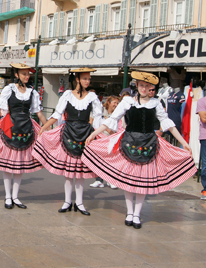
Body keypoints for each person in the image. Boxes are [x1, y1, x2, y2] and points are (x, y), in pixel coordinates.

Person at [83, 71, 195, 229]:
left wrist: (183, 142)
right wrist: (93, 134)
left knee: (142, 182)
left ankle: (137, 214)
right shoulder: (127, 102)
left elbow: (167, 123)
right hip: (129, 143)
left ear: (150, 87)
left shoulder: (155, 103)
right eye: (141, 85)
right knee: (128, 182)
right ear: (136, 85)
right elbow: (112, 120)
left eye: (146, 86)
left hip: (149, 144)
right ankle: (129, 213)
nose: (143, 88)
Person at [0, 63, 47, 209]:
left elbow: (39, 113)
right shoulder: (9, 89)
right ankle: (8, 196)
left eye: (28, 73)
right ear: (17, 75)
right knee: (7, 165)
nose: (27, 76)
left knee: (19, 165)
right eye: (24, 73)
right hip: (10, 127)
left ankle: (16, 197)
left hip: (26, 129)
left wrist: (49, 129)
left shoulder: (33, 92)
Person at [33, 68, 103, 215]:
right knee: (69, 172)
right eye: (85, 78)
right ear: (77, 79)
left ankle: (79, 202)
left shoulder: (92, 97)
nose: (87, 81)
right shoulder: (67, 95)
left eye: (89, 79)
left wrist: (99, 134)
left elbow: (98, 117)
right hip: (69, 133)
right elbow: (57, 113)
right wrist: (44, 127)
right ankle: (67, 201)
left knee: (80, 172)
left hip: (85, 134)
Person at [90, 95, 120, 189]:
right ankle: (99, 180)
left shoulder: (118, 114)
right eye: (114, 102)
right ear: (109, 103)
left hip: (110, 138)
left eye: (117, 103)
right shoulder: (100, 110)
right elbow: (91, 121)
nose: (116, 105)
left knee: (110, 160)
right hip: (98, 138)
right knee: (98, 160)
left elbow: (115, 130)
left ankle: (110, 180)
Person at [197, 95, 206, 200]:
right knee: (205, 165)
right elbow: (203, 118)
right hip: (205, 137)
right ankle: (205, 189)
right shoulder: (202, 101)